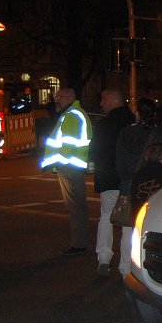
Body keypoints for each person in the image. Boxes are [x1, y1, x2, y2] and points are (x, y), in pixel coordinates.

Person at [116, 98, 162, 277]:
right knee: (152, 228)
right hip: (157, 187)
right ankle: (148, 268)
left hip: (131, 185)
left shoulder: (126, 133)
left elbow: (120, 164)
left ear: (137, 113)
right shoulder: (161, 134)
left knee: (129, 228)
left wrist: (127, 179)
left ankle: (125, 268)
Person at [40, 87, 93, 256]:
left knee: (75, 207)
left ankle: (78, 244)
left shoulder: (72, 115)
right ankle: (79, 242)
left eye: (60, 97)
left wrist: (59, 163)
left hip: (69, 167)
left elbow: (68, 144)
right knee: (77, 206)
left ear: (70, 97)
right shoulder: (74, 113)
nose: (58, 100)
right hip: (72, 166)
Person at [90, 89, 135, 277]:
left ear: (114, 101)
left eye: (104, 99)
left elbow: (95, 150)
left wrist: (94, 168)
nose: (101, 104)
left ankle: (104, 258)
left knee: (106, 217)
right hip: (128, 180)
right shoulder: (133, 122)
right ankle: (126, 267)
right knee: (128, 223)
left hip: (108, 178)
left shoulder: (104, 124)